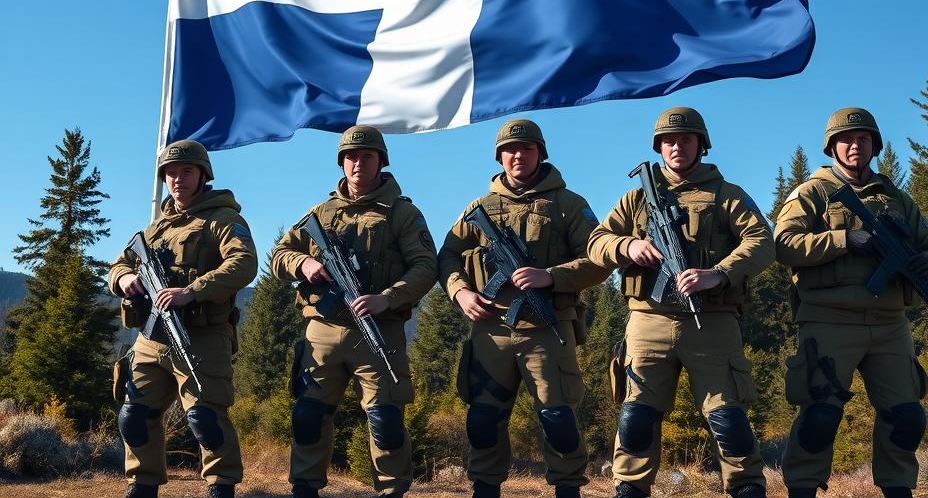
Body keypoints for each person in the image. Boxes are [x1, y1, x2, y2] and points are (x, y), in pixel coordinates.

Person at [588, 106, 774, 498]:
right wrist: (628, 245)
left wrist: (718, 273)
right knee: (636, 415)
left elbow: (762, 242)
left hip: (713, 319)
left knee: (728, 418)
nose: (677, 147)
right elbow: (596, 243)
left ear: (701, 145)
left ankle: (746, 486)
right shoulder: (637, 198)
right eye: (669, 141)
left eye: (685, 139)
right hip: (648, 319)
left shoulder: (727, 195)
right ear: (659, 147)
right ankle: (630, 488)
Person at [774, 108, 928, 498]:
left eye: (863, 140)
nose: (855, 146)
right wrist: (841, 241)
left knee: (905, 416)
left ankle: (898, 488)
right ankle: (802, 488)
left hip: (890, 323)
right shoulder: (811, 193)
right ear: (832, 146)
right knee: (820, 415)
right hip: (829, 319)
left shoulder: (896, 198)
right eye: (847, 140)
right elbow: (783, 245)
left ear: (874, 145)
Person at [439, 118, 609, 498]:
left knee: (558, 420)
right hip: (490, 329)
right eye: (510, 150)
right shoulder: (478, 208)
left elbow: (598, 260)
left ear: (540, 154)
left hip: (548, 331)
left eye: (526, 149)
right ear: (499, 157)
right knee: (483, 420)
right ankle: (485, 488)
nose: (518, 156)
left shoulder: (568, 204)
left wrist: (550, 276)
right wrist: (461, 293)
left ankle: (568, 487)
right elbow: (446, 257)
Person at [271, 126, 437, 498]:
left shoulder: (402, 213)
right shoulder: (320, 212)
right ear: (341, 163)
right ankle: (305, 487)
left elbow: (426, 267)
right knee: (309, 416)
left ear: (381, 161)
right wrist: (304, 265)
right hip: (323, 331)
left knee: (386, 421)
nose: (357, 163)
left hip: (379, 329)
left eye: (366, 156)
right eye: (350, 157)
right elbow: (280, 255)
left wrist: (387, 298)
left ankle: (392, 490)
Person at [109, 140, 258, 498]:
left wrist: (192, 290)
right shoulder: (156, 227)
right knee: (134, 416)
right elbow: (120, 264)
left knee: (205, 419)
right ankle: (141, 485)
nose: (178, 179)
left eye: (186, 171)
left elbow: (243, 265)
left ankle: (221, 487)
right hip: (151, 338)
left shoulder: (223, 219)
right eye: (171, 173)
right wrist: (125, 279)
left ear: (203, 174)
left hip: (202, 337)